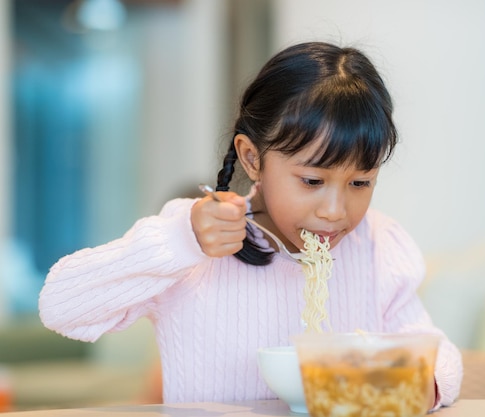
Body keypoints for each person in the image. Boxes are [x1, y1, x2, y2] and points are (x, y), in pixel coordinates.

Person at [39, 41, 463, 409]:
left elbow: (436, 352)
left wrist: (421, 386)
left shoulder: (378, 244)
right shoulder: (192, 242)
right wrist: (180, 240)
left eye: (360, 182)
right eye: (312, 181)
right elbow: (61, 308)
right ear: (253, 158)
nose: (336, 210)